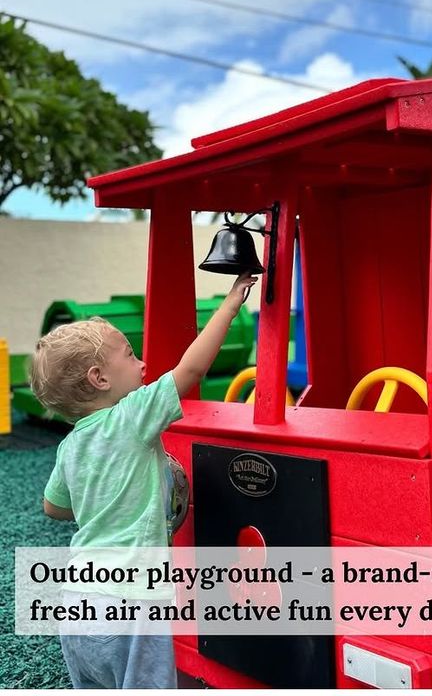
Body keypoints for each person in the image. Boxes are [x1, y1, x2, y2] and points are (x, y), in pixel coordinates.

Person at [31, 272, 257, 689]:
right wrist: (230, 304)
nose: (142, 364)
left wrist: (99, 495)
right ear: (100, 378)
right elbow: (190, 369)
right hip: (131, 601)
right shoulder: (131, 415)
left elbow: (53, 507)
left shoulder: (70, 445)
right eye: (130, 355)